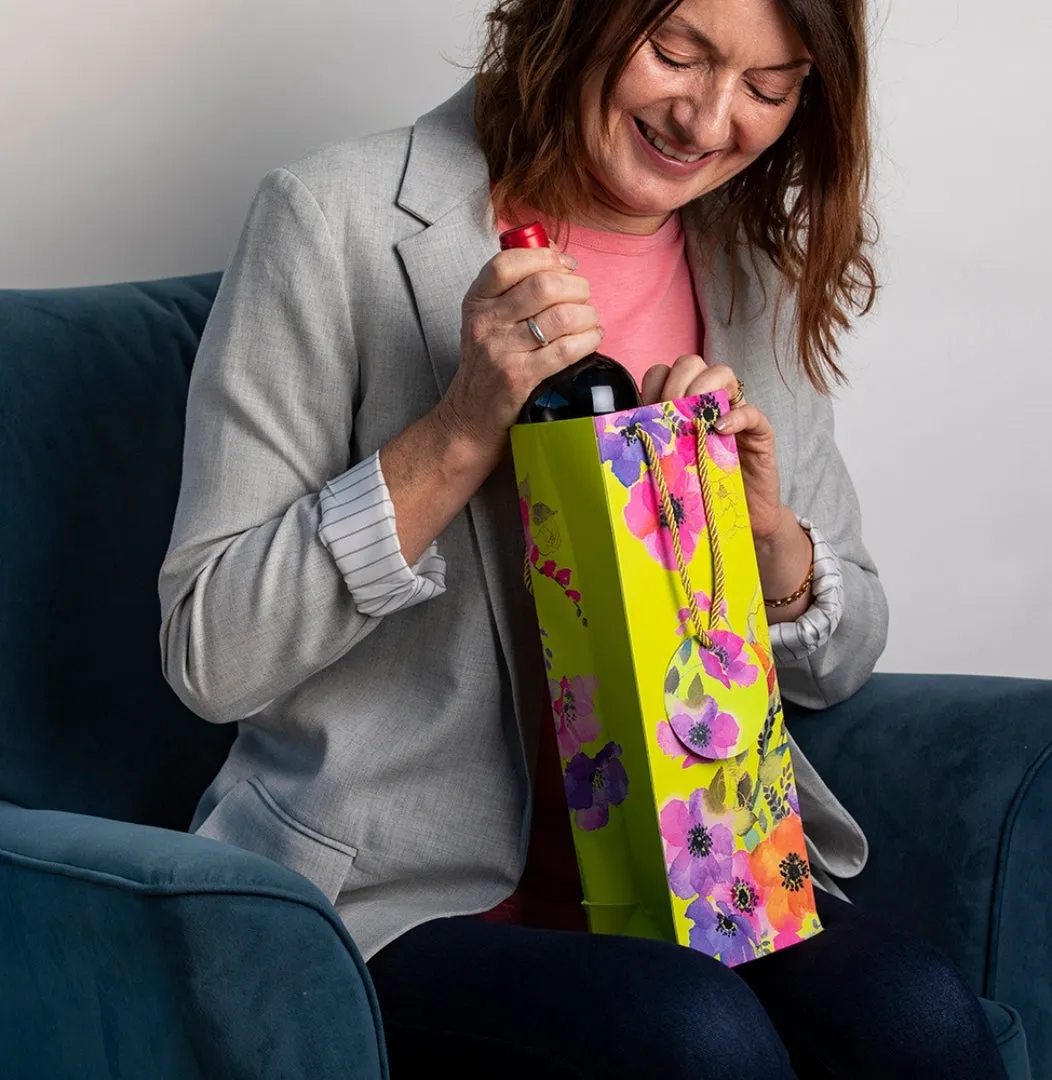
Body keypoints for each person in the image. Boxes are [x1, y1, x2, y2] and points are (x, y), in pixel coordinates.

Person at [159, 0, 1008, 1075]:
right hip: (401, 891)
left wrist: (766, 543)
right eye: (677, 53)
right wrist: (461, 428)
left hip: (706, 870)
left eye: (768, 86)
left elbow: (845, 656)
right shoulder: (331, 217)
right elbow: (209, 652)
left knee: (918, 1013)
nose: (707, 120)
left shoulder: (746, 265)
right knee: (691, 1034)